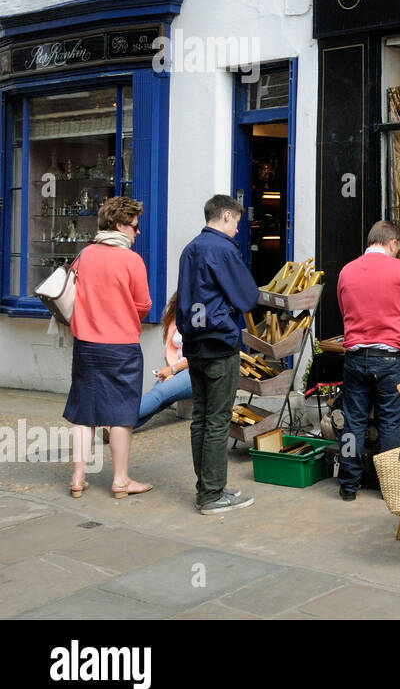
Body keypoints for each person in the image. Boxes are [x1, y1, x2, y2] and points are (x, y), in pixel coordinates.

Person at [336, 220, 400, 501]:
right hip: (389, 358)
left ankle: (348, 485)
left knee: (352, 422)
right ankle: (389, 485)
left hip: (355, 356)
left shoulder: (346, 271)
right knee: (390, 422)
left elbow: (344, 309)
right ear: (393, 243)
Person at [64, 196, 152, 499]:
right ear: (119, 224)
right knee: (120, 414)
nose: (137, 232)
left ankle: (77, 478)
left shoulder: (85, 254)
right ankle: (120, 480)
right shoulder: (132, 260)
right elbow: (143, 305)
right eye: (134, 226)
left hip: (86, 344)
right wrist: (126, 314)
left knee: (83, 411)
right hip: (121, 346)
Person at [178, 194, 260, 515]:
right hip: (219, 344)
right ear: (226, 215)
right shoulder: (222, 249)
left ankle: (208, 487)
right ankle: (211, 495)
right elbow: (247, 297)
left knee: (201, 417)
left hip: (194, 345)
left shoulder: (190, 249)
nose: (238, 230)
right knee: (216, 420)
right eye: (237, 222)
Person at [136, 293, 193, 428]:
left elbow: (199, 354)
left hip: (196, 370)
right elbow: (171, 351)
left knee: (158, 394)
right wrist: (171, 373)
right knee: (158, 400)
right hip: (178, 370)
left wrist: (172, 370)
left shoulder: (200, 316)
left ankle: (116, 421)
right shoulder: (175, 317)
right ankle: (118, 429)